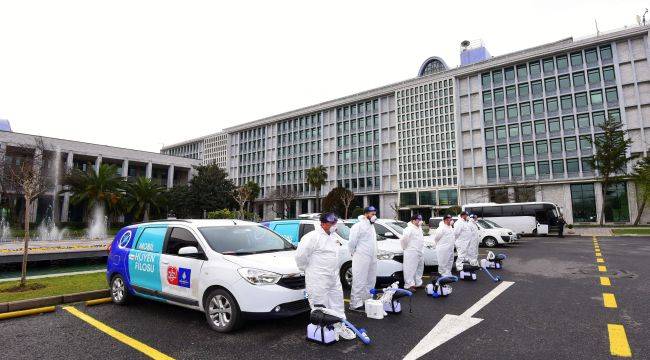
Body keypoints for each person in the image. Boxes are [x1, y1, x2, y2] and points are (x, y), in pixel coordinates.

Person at [295, 213, 355, 340]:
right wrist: (308, 270)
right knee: (320, 305)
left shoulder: (333, 237)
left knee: (337, 303)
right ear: (322, 223)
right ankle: (322, 331)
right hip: (318, 278)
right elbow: (300, 257)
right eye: (331, 223)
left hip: (333, 277)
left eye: (335, 223)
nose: (334, 226)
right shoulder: (312, 237)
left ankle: (339, 327)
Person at [348, 206, 378, 312]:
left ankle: (367, 300)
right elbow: (352, 242)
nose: (374, 216)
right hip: (361, 256)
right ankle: (355, 304)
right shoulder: (358, 226)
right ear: (366, 214)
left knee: (370, 280)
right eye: (372, 214)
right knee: (359, 281)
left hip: (372, 257)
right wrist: (353, 253)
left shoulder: (371, 226)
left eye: (375, 213)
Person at [401, 214, 425, 291]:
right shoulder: (409, 229)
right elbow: (404, 240)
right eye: (418, 220)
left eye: (421, 219)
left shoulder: (419, 228)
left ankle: (418, 283)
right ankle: (409, 285)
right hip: (411, 251)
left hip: (419, 251)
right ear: (413, 221)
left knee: (419, 268)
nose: (420, 221)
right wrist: (405, 248)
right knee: (410, 269)